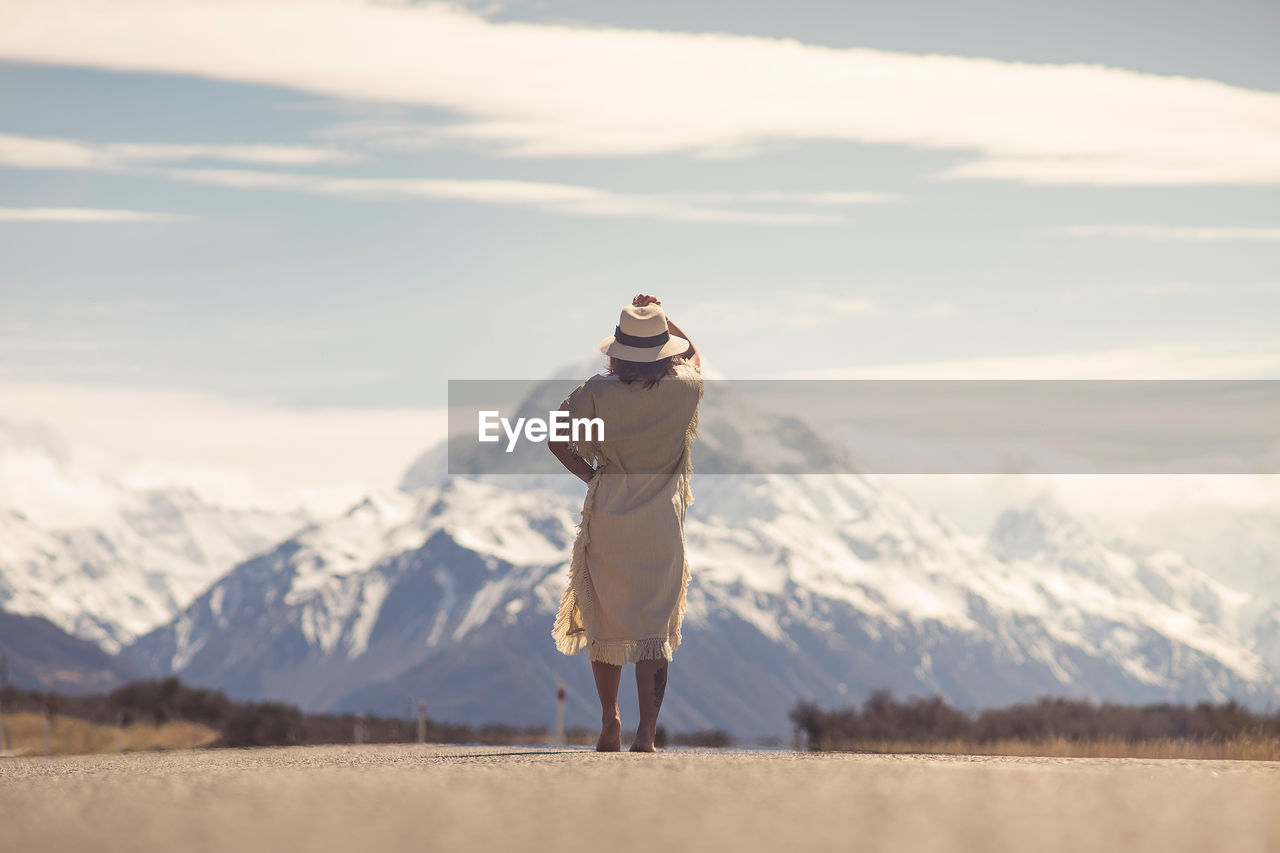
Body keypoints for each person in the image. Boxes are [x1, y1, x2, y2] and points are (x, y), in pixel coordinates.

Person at [549, 294, 704, 752]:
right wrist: (666, 318)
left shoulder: (597, 392)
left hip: (610, 513)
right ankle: (648, 733)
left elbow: (557, 437)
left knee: (606, 622)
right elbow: (694, 355)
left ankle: (609, 719)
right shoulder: (686, 389)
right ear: (664, 349)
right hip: (662, 523)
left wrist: (591, 474)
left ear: (617, 351)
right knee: (654, 631)